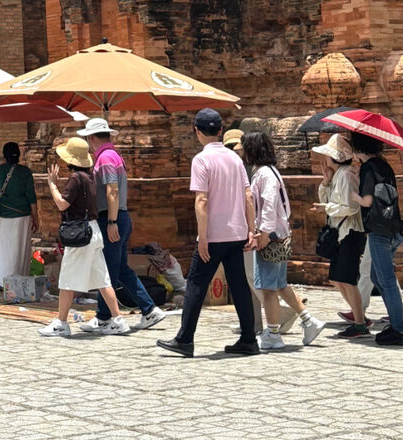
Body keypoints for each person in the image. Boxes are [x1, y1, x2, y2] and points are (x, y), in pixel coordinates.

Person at [158, 109, 258, 357]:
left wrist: (203, 236)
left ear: (197, 131)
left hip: (213, 234)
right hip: (237, 232)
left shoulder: (201, 160)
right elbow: (248, 196)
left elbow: (201, 200)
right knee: (239, 285)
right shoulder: (235, 159)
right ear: (221, 131)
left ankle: (185, 339)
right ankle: (248, 338)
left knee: (195, 284)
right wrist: (252, 229)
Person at [241, 132, 325, 349]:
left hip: (272, 237)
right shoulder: (270, 172)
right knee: (279, 284)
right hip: (279, 235)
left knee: (267, 288)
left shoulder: (264, 175)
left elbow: (268, 204)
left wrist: (264, 233)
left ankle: (273, 334)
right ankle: (309, 320)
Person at [81, 119, 166, 331]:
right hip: (119, 216)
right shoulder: (112, 155)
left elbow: (112, 191)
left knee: (106, 269)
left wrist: (111, 221)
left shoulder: (107, 157)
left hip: (112, 217)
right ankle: (149, 309)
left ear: (92, 138)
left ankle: (104, 317)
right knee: (118, 268)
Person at [39, 137, 128, 338]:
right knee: (102, 279)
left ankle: (61, 322)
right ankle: (118, 319)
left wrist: (52, 185)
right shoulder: (91, 178)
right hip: (94, 230)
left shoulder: (75, 179)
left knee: (67, 280)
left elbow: (63, 204)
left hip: (79, 233)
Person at [350, 132, 403, 346]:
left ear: (358, 148)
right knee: (378, 278)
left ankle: (400, 330)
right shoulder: (385, 166)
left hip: (379, 232)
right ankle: (396, 322)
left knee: (385, 280)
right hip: (393, 228)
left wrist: (354, 196)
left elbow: (367, 201)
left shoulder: (369, 168)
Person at [311, 133, 368, 338]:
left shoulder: (346, 175)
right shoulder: (338, 175)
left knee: (347, 279)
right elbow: (329, 200)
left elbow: (351, 207)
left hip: (351, 232)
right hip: (341, 233)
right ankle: (359, 314)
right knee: (337, 279)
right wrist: (326, 182)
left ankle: (360, 323)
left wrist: (327, 208)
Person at [224, 129, 266, 336]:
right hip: (242, 227)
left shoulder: (252, 170)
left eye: (236, 148)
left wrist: (253, 229)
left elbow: (250, 200)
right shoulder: (238, 167)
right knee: (249, 280)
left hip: (251, 229)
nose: (234, 152)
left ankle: (289, 313)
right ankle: (254, 323)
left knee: (253, 278)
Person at [0, 142, 38, 290]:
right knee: (19, 250)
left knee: (2, 250)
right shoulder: (25, 172)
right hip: (22, 216)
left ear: (5, 155)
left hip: (3, 216)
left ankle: (0, 281)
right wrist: (36, 217)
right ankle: (17, 281)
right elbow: (31, 197)